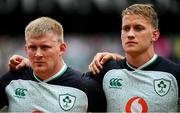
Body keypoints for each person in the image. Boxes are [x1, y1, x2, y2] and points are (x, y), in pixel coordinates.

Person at [7, 3, 180, 112]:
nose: (130, 34)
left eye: (138, 28)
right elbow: (67, 80)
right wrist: (33, 63)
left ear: (155, 35)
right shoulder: (106, 70)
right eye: (125, 28)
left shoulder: (175, 75)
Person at [0, 17, 106, 112]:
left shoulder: (86, 88)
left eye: (45, 47)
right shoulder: (11, 81)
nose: (38, 54)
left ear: (62, 49)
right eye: (32, 47)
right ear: (26, 49)